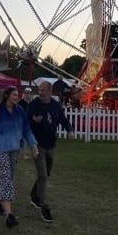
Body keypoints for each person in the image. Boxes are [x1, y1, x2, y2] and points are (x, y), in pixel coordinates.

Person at [0, 87, 39, 229]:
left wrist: (33, 146)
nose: (17, 96)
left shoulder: (20, 111)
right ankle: (9, 214)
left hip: (15, 150)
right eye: (15, 94)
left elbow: (27, 130)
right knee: (6, 178)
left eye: (18, 94)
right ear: (7, 96)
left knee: (8, 177)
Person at [26, 81, 74, 223]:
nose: (40, 92)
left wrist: (69, 130)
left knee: (46, 174)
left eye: (43, 90)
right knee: (42, 175)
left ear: (50, 91)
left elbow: (63, 120)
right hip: (37, 145)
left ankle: (34, 196)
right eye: (39, 90)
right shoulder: (33, 105)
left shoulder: (55, 105)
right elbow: (26, 123)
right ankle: (44, 206)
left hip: (51, 145)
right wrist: (33, 120)